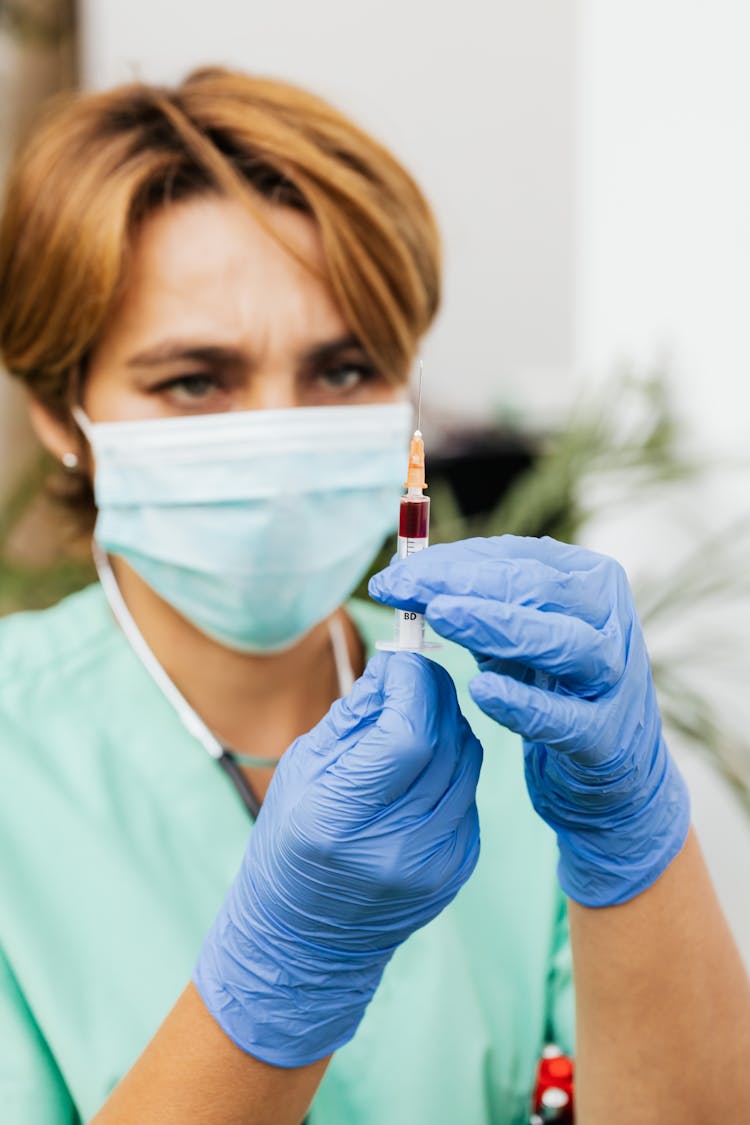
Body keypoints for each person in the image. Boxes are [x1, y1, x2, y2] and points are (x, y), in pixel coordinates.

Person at [0, 67, 747, 1125]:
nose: (280, 427)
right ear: (56, 413)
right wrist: (280, 979)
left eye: (343, 369)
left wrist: (638, 841)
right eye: (194, 380)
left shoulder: (519, 722)